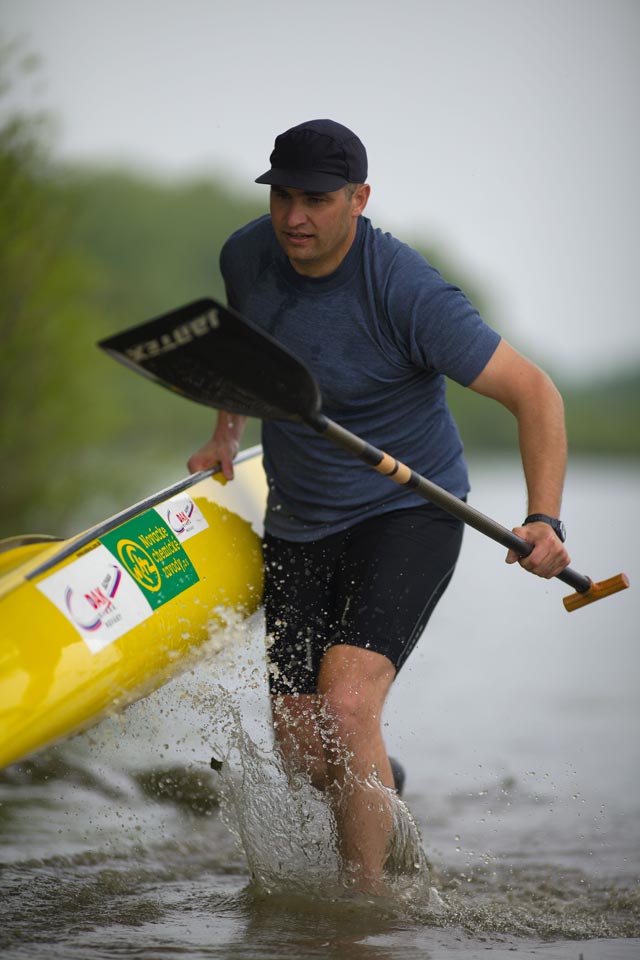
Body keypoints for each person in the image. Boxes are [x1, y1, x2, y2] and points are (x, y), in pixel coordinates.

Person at [188, 119, 570, 893]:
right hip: (300, 518)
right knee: (302, 747)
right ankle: (380, 783)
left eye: (318, 200)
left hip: (409, 510)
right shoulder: (246, 255)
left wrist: (545, 517)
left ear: (359, 199)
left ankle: (364, 915)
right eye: (283, 196)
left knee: (348, 699)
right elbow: (243, 352)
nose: (295, 217)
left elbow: (535, 393)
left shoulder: (408, 290)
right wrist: (224, 435)